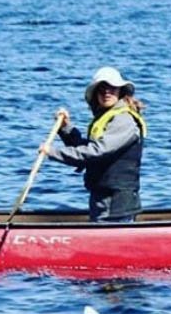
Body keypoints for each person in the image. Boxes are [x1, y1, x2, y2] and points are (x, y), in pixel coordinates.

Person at [42, 66, 147, 222]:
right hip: (101, 198)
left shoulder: (123, 120)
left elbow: (97, 151)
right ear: (96, 94)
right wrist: (65, 128)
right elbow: (86, 149)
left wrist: (53, 152)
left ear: (120, 91)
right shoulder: (106, 118)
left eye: (112, 88)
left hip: (116, 204)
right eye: (102, 89)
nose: (107, 92)